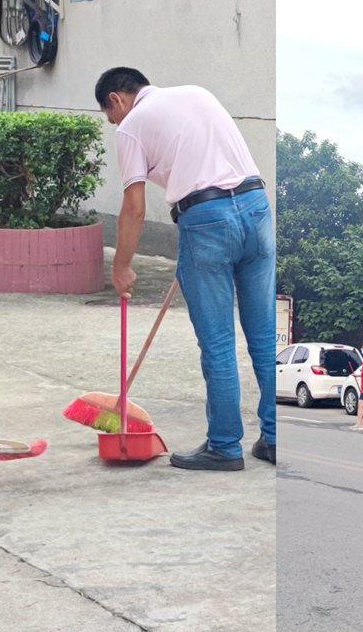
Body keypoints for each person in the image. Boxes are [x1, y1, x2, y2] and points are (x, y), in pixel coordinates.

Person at [98, 65, 274, 470]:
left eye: (112, 117)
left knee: (217, 343)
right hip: (256, 207)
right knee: (263, 338)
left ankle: (225, 446)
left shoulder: (131, 126)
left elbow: (134, 207)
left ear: (116, 100)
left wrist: (121, 265)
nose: (116, 124)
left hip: (206, 219)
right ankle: (276, 438)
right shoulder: (197, 92)